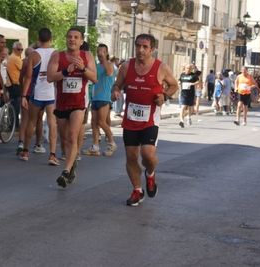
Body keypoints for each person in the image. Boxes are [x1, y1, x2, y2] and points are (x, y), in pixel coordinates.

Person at [111, 33, 178, 206]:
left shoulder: (161, 68)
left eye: (145, 47)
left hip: (150, 119)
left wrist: (164, 95)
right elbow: (117, 84)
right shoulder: (126, 66)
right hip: (131, 118)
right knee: (131, 157)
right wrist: (116, 91)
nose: (141, 50)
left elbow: (174, 85)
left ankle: (150, 172)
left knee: (147, 155)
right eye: (138, 46)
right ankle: (137, 191)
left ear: (152, 49)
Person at [47, 27, 97, 188]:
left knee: (72, 136)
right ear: (66, 39)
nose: (72, 39)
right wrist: (66, 71)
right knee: (64, 140)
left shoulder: (87, 56)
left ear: (81, 41)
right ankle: (71, 162)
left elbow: (94, 78)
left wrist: (82, 68)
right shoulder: (57, 57)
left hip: (78, 103)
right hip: (61, 103)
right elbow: (49, 77)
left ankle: (66, 171)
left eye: (76, 37)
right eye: (69, 36)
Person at [20, 28, 59, 165]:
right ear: (51, 39)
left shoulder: (33, 55)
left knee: (31, 121)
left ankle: (25, 151)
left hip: (37, 92)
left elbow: (28, 77)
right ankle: (52, 155)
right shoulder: (56, 54)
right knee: (51, 123)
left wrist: (24, 95)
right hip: (50, 93)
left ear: (38, 39)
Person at [82, 43, 117, 157]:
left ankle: (111, 142)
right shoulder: (96, 65)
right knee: (93, 122)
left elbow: (108, 73)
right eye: (98, 51)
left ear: (106, 53)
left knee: (102, 121)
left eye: (102, 51)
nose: (100, 53)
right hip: (95, 97)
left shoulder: (110, 65)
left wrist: (105, 59)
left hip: (104, 97)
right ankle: (95, 146)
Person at [6, 41, 24, 131]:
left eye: (21, 49)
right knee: (15, 106)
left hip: (11, 84)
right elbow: (24, 69)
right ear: (14, 49)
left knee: (13, 106)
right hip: (15, 85)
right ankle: (14, 125)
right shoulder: (15, 58)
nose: (20, 51)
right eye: (18, 49)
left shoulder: (13, 57)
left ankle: (12, 125)